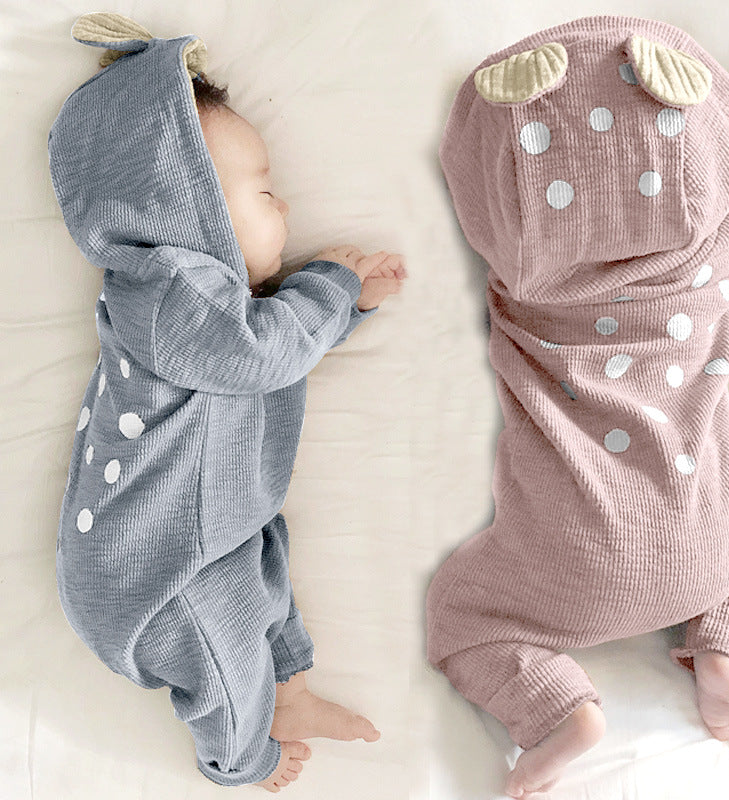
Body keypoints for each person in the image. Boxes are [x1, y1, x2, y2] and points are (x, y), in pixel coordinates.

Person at [426, 14, 729, 798]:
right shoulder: (714, 260)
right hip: (710, 536)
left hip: (574, 559)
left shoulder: (524, 277)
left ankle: (555, 710)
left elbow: (476, 188)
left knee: (459, 619)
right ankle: (726, 648)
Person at [48, 12, 405, 791]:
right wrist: (332, 286)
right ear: (191, 208)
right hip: (149, 574)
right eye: (265, 191)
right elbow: (263, 351)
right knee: (225, 655)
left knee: (264, 578)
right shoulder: (167, 292)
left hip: (198, 536)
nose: (285, 210)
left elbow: (262, 354)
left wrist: (345, 311)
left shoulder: (199, 302)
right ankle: (239, 759)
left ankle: (290, 696)